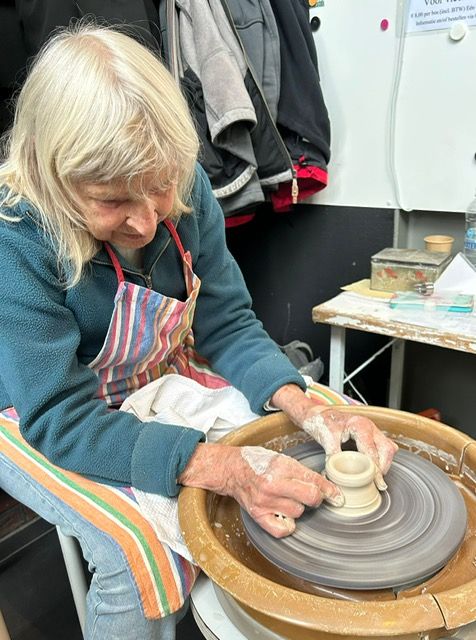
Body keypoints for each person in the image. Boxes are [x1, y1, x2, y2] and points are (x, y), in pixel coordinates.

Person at [0, 23, 398, 639]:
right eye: (111, 200)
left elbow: (227, 323)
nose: (144, 222)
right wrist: (220, 466)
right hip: (37, 408)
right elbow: (59, 416)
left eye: (159, 188)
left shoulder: (182, 184)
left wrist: (306, 406)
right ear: (53, 177)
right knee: (142, 557)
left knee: (317, 424)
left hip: (151, 372)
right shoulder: (18, 234)